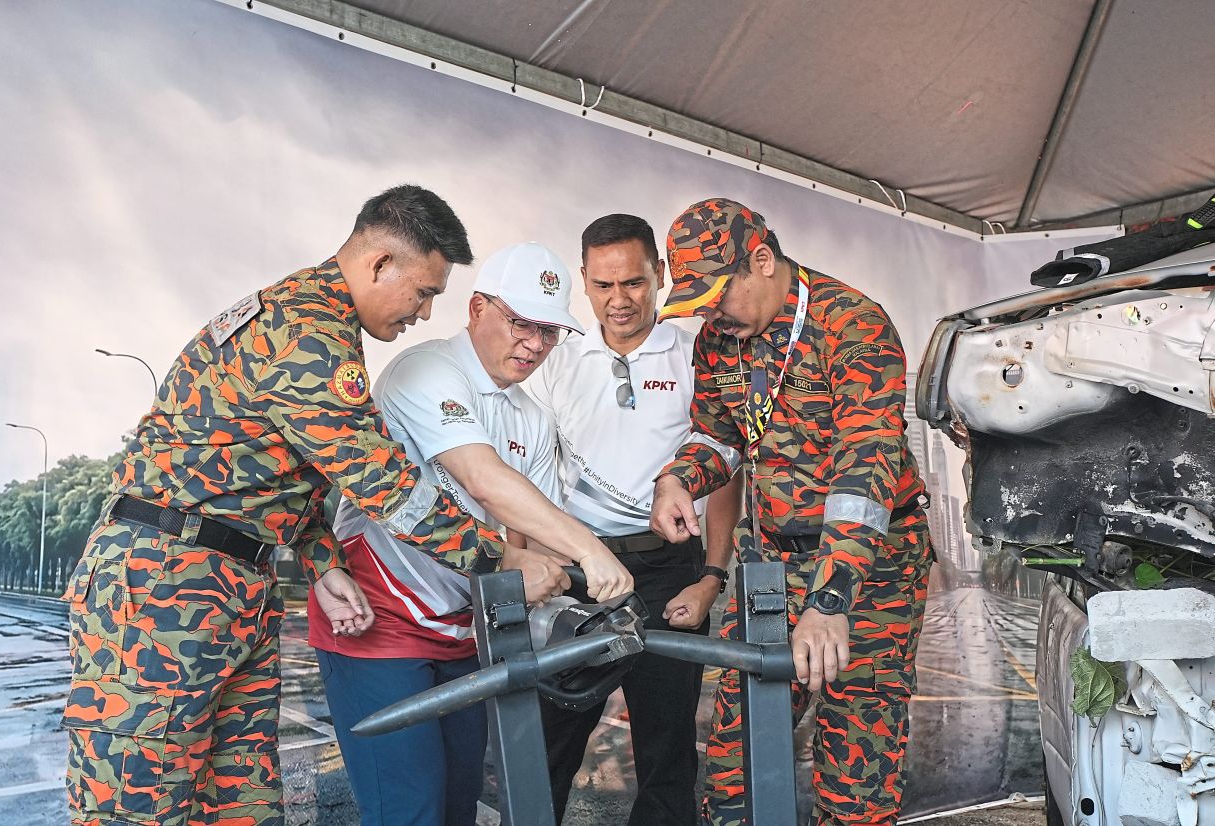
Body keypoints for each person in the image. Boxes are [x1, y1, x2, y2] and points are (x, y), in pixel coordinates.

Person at [61, 185, 524, 826]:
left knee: (242, 805)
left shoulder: (315, 324)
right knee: (139, 803)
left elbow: (274, 475)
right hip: (164, 582)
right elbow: (380, 481)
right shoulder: (305, 332)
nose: (421, 314)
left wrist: (322, 560)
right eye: (423, 292)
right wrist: (500, 561)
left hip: (231, 583)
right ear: (379, 264)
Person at [311, 241, 634, 826]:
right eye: (521, 324)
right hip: (378, 620)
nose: (534, 345)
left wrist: (566, 589)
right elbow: (482, 481)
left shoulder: (531, 418)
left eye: (550, 332)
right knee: (409, 812)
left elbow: (527, 535)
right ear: (479, 308)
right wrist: (592, 551)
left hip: (464, 632)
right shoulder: (425, 369)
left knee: (460, 805)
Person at [649, 198, 932, 826]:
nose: (712, 315)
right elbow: (718, 435)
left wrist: (831, 601)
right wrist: (677, 479)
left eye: (719, 295)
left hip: (870, 571)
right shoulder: (722, 339)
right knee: (737, 756)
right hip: (771, 564)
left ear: (762, 259)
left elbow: (867, 464)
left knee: (857, 756)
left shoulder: (853, 325)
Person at [529, 214, 742, 825]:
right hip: (579, 576)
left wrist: (710, 579)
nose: (618, 300)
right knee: (550, 745)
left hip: (670, 573)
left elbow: (727, 468)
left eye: (633, 283)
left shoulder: (696, 352)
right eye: (602, 285)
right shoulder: (555, 360)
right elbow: (528, 473)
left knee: (667, 752)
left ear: (660, 275)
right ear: (584, 283)